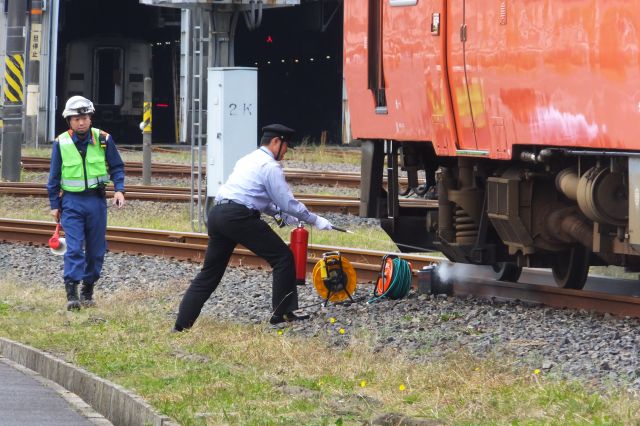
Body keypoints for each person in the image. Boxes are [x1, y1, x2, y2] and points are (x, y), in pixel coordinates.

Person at [173, 124, 334, 331]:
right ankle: (282, 314)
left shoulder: (247, 159)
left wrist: (281, 215)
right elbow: (287, 201)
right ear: (276, 142)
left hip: (218, 214)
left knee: (209, 273)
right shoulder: (270, 166)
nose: (285, 152)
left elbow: (261, 199)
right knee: (283, 257)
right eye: (286, 147)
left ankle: (181, 326)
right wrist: (315, 220)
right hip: (239, 217)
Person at [47, 96, 126, 310]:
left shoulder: (104, 139)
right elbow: (53, 177)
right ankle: (71, 292)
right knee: (73, 248)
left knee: (96, 250)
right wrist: (55, 204)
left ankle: (88, 289)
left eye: (84, 117)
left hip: (96, 201)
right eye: (76, 119)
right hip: (71, 202)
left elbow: (117, 167)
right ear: (69, 121)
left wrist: (119, 190)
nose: (81, 122)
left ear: (90, 118)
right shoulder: (61, 143)